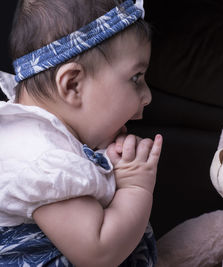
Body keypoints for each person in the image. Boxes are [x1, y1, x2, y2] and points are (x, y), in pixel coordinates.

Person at [0, 0, 163, 266]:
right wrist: (135, 186)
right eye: (136, 77)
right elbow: (99, 252)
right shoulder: (40, 159)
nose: (147, 96)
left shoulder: (46, 139)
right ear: (73, 84)